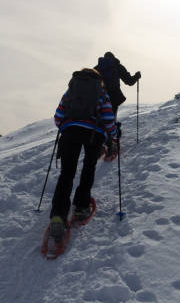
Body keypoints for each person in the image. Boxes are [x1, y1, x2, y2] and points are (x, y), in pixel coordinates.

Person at [49, 68, 118, 242]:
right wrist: (114, 134)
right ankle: (80, 206)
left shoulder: (71, 90)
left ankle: (58, 215)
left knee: (67, 173)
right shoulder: (101, 92)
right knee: (88, 168)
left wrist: (67, 126)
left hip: (70, 132)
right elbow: (108, 118)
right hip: (93, 134)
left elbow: (58, 116)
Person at [95, 52, 141, 118]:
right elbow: (129, 81)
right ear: (114, 57)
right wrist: (137, 76)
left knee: (99, 119)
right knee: (111, 119)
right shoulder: (118, 66)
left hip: (99, 97)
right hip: (114, 97)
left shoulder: (97, 68)